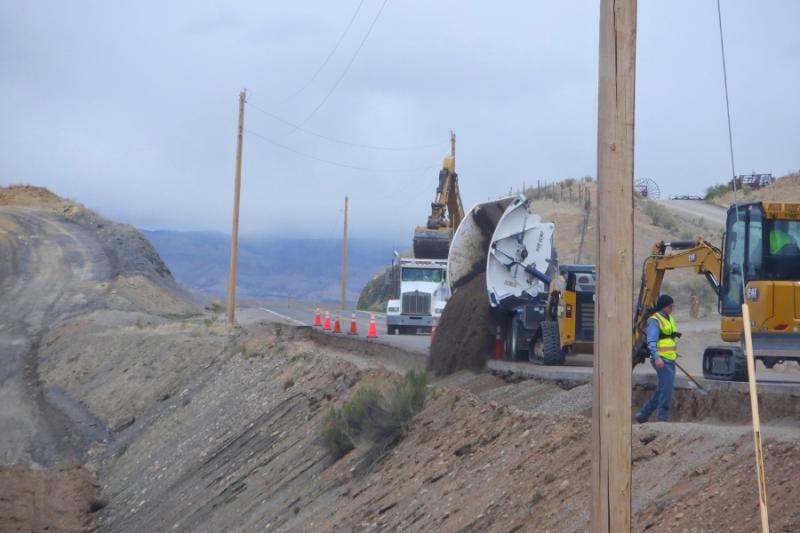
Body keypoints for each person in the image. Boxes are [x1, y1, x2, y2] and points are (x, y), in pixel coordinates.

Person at [635, 294, 681, 423]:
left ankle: (644, 414)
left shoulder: (670, 318)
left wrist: (674, 353)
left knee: (662, 388)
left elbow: (668, 338)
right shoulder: (654, 320)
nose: (672, 308)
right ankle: (662, 419)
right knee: (667, 389)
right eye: (670, 306)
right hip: (661, 360)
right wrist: (656, 358)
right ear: (664, 306)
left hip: (670, 359)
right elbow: (651, 342)